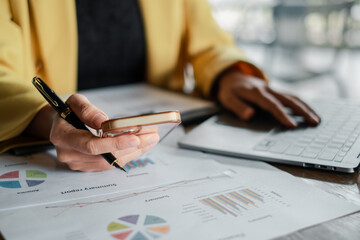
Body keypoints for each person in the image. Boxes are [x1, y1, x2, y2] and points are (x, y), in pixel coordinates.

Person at [0, 0, 320, 172]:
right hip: (40, 144)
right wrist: (50, 119)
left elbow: (209, 43)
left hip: (170, 140)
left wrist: (231, 75)